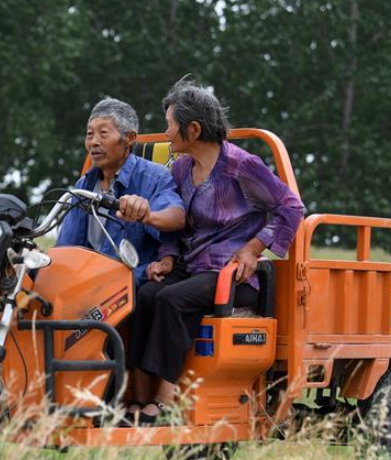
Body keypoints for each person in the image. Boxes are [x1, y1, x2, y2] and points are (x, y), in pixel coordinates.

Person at [127, 78, 305, 424]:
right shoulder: (181, 168)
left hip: (231, 274)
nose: (166, 133)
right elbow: (176, 223)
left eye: (170, 125)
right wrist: (166, 257)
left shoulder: (241, 165)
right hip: (191, 266)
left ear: (193, 129)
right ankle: (137, 393)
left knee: (171, 299)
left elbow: (291, 207)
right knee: (145, 294)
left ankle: (165, 398)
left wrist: (253, 248)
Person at [57, 98, 186, 287]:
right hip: (83, 283)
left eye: (103, 133)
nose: (94, 142)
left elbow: (176, 218)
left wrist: (147, 215)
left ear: (130, 138)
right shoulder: (83, 185)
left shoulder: (155, 177)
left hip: (128, 284)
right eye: (89, 134)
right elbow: (65, 248)